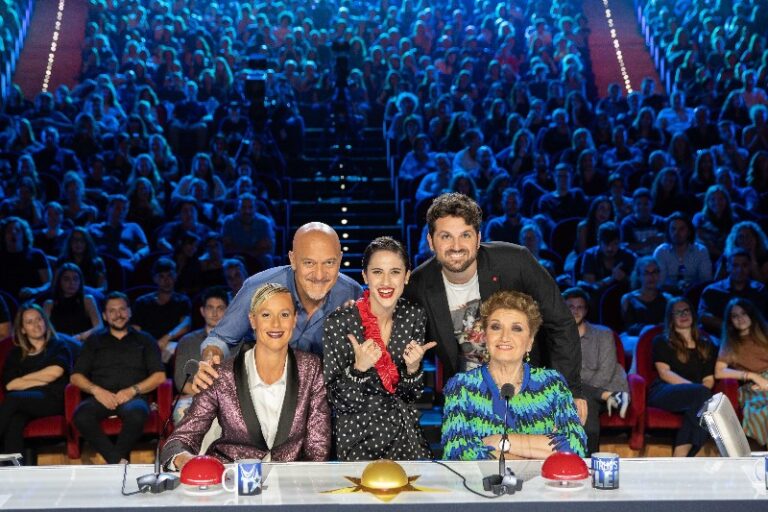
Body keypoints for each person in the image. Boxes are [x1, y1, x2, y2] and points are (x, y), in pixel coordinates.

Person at [402, 193, 584, 410]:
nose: (456, 246)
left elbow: (561, 323)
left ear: (478, 239)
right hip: (467, 399)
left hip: (529, 388)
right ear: (431, 242)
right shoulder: (417, 286)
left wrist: (568, 390)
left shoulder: (516, 263)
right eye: (446, 236)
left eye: (465, 235)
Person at [160, 283, 331, 468]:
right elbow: (180, 440)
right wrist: (185, 460)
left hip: (289, 479)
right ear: (252, 320)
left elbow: (318, 448)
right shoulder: (221, 374)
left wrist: (304, 482)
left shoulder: (312, 368)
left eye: (284, 315)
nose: (276, 324)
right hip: (230, 478)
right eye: (266, 315)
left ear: (294, 319)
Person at [194, 223, 363, 391]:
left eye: (329, 263)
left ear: (340, 260)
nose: (319, 275)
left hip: (326, 393)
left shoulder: (352, 292)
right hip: (263, 391)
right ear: (293, 260)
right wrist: (210, 361)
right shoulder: (257, 287)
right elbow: (220, 339)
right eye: (309, 263)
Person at [323, 237, 434, 461]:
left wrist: (413, 369)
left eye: (395, 272)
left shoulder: (414, 315)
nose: (386, 281)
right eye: (377, 272)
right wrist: (358, 369)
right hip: (357, 437)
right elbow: (337, 401)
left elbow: (410, 395)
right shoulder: (339, 322)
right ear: (365, 276)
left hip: (405, 434)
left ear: (407, 276)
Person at [441, 290, 586, 460]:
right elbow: (457, 452)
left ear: (530, 341)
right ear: (485, 337)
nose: (505, 337)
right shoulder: (462, 387)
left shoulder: (552, 384)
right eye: (496, 327)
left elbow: (575, 446)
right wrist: (536, 456)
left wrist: (500, 442)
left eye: (516, 329)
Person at [71, 292, 165, 464]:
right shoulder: (94, 341)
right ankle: (117, 461)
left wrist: (132, 390)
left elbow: (159, 376)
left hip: (133, 398)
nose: (118, 314)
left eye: (122, 309)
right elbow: (75, 376)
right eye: (112, 311)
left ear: (129, 312)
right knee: (81, 416)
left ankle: (114, 462)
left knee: (137, 414)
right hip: (101, 397)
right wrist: (97, 391)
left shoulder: (145, 340)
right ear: (105, 316)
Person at [0, 304, 73, 460]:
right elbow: (10, 385)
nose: (36, 325)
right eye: (29, 322)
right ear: (22, 329)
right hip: (24, 403)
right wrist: (40, 378)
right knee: (15, 420)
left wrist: (23, 380)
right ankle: (14, 470)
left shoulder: (58, 346)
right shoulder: (15, 354)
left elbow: (54, 373)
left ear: (45, 321)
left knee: (13, 399)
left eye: (39, 319)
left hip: (52, 399)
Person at [562, 288, 629, 455]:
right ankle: (588, 460)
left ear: (586, 310)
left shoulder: (603, 335)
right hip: (574, 393)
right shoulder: (557, 338)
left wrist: (580, 391)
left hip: (605, 388)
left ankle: (587, 459)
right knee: (583, 399)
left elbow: (606, 373)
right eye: (571, 307)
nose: (576, 311)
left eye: (580, 307)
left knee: (585, 401)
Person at [648, 298, 716, 457]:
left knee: (701, 403)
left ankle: (680, 457)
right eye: (678, 312)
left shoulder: (706, 345)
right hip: (664, 391)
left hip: (696, 396)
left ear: (693, 314)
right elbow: (665, 373)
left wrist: (698, 392)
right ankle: (690, 453)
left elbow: (709, 379)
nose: (683, 315)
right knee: (703, 398)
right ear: (671, 317)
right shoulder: (661, 341)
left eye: (686, 311)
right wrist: (695, 389)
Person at [714, 298, 768, 449]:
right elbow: (719, 371)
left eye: (744, 313)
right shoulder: (730, 343)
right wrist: (753, 377)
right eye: (735, 316)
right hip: (751, 387)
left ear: (751, 314)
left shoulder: (765, 332)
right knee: (761, 411)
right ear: (730, 321)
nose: (740, 318)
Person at [172, 287, 229, 423]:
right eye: (210, 308)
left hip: (228, 398)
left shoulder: (238, 342)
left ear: (227, 311)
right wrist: (205, 396)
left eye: (220, 308)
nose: (215, 313)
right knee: (181, 413)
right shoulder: (187, 341)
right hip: (194, 395)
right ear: (202, 311)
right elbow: (181, 381)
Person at [132, 258, 192, 363]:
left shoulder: (183, 301)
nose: (166, 280)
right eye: (161, 276)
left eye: (169, 276)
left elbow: (185, 325)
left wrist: (166, 338)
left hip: (171, 346)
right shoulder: (142, 302)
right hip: (146, 346)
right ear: (154, 279)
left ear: (175, 277)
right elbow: (135, 328)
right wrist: (151, 344)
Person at [698, 250, 768, 336]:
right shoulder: (712, 290)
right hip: (719, 338)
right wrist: (730, 328)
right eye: (735, 265)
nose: (740, 270)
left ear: (750, 267)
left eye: (744, 265)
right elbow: (703, 316)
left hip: (753, 336)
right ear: (728, 267)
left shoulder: (759, 289)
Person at [653, 212, 713, 294]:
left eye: (681, 229)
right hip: (666, 295)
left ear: (689, 231)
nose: (676, 233)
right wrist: (676, 288)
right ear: (668, 231)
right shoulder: (661, 251)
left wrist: (690, 288)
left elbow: (706, 280)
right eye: (673, 229)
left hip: (694, 294)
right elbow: (659, 283)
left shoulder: (700, 251)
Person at [43, 263, 102, 340]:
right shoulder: (49, 304)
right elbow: (45, 329)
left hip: (84, 342)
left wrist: (80, 337)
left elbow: (99, 326)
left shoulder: (87, 300)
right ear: (59, 281)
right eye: (66, 279)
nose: (72, 283)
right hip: (60, 343)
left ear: (80, 281)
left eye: (75, 279)